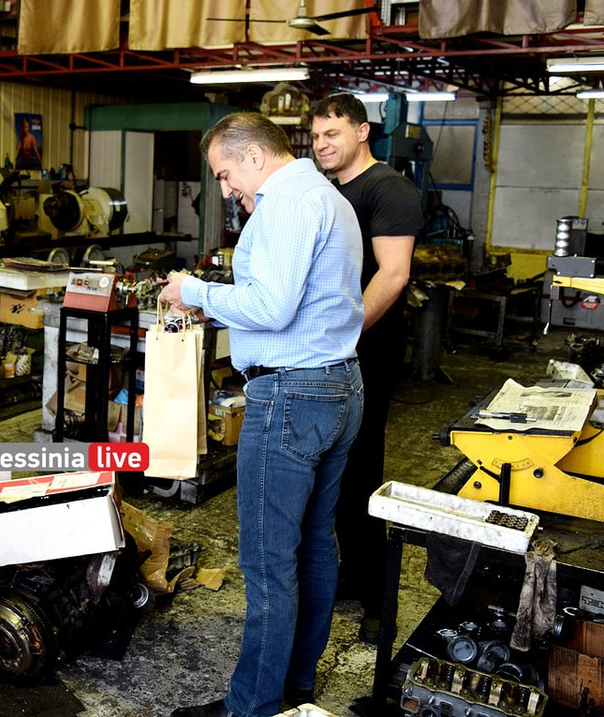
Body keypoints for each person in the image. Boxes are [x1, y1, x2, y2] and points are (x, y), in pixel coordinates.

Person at [161, 112, 365, 717]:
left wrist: (194, 291)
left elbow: (274, 308)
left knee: (269, 559)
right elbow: (297, 300)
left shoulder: (286, 205)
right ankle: (295, 686)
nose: (226, 189)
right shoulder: (326, 197)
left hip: (292, 397)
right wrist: (221, 307)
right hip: (337, 385)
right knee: (314, 546)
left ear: (253, 156)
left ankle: (253, 705)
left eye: (225, 174)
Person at [309, 93, 424, 645]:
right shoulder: (330, 191)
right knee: (332, 474)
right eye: (315, 136)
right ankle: (354, 575)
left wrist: (344, 336)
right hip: (330, 351)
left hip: (365, 352)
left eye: (332, 133)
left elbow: (393, 274)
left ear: (362, 132)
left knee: (360, 474)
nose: (321, 144)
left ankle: (381, 599)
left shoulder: (387, 189)